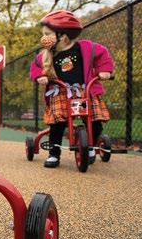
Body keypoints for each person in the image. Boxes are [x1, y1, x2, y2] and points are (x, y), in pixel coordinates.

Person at [30, 10, 115, 168]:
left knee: (95, 121)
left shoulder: (85, 47)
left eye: (47, 34)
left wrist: (105, 71)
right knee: (57, 124)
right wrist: (40, 76)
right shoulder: (45, 55)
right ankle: (54, 153)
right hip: (60, 91)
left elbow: (103, 55)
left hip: (84, 91)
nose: (44, 38)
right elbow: (35, 67)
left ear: (63, 35)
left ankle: (91, 146)